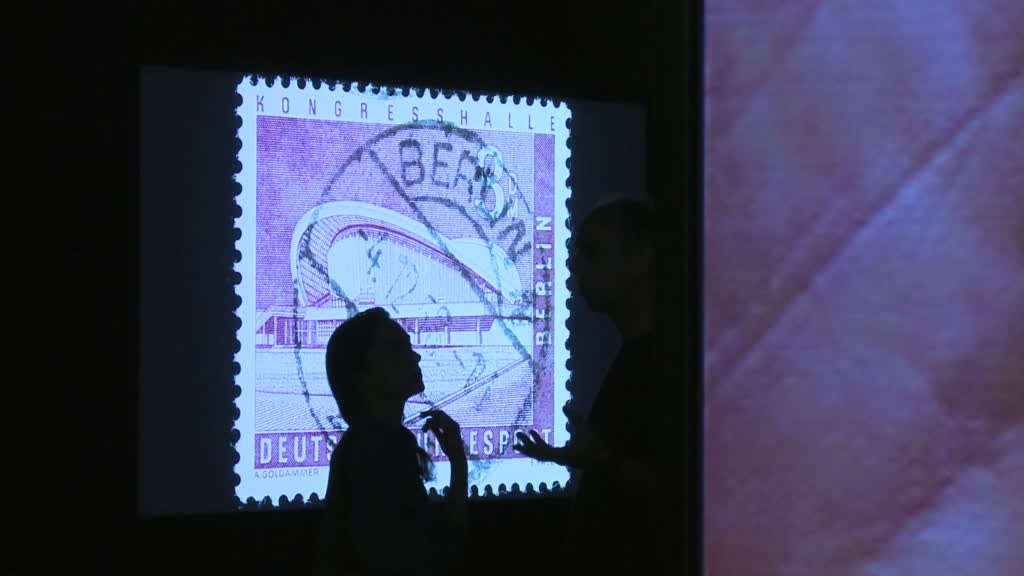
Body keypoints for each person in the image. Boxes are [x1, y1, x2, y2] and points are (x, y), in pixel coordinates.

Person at [514, 198, 677, 570]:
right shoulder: (639, 354)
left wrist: (602, 463)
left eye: (592, 252)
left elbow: (680, 488)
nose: (574, 265)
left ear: (642, 258)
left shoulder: (669, 369)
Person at [315, 307, 468, 576]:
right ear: (361, 377)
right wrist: (458, 461)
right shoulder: (376, 452)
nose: (415, 356)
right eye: (395, 350)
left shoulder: (376, 443)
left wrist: (458, 459)